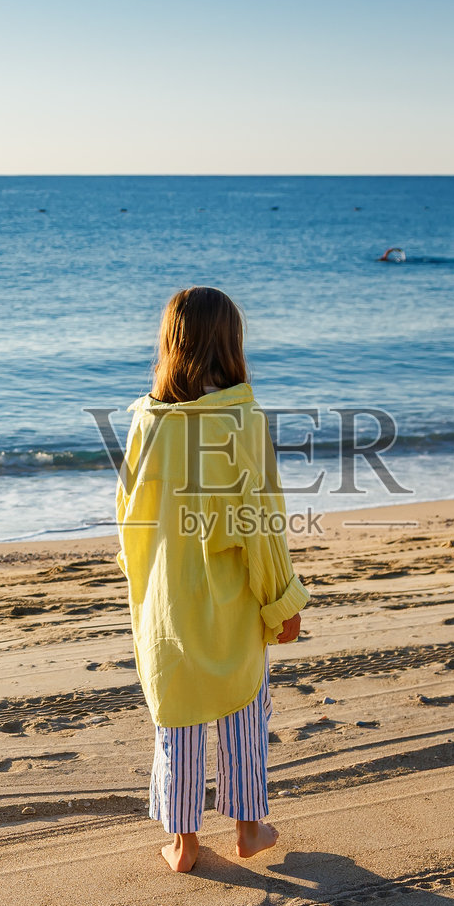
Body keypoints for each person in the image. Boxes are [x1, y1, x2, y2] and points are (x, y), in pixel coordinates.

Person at [115, 286, 309, 873]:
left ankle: (184, 843)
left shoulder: (146, 421)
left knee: (175, 714)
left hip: (166, 598)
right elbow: (263, 524)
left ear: (171, 344)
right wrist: (281, 602)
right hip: (231, 596)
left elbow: (128, 514)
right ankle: (249, 829)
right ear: (230, 344)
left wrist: (142, 579)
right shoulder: (241, 420)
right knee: (243, 708)